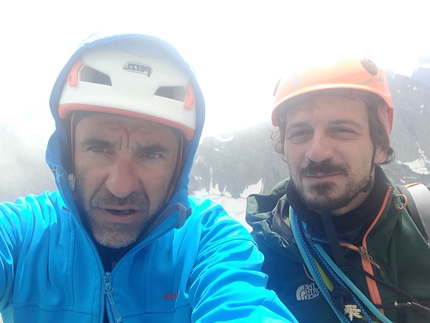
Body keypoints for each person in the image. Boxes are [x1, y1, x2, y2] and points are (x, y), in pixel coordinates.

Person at [0, 33, 297, 323]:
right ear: (69, 155)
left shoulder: (209, 239)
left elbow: (241, 305)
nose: (120, 186)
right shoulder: (22, 232)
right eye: (99, 148)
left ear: (179, 167)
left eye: (152, 154)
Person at [246, 58, 430, 322]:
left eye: (342, 130)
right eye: (299, 133)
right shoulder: (261, 257)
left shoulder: (423, 220)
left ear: (379, 146)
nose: (317, 153)